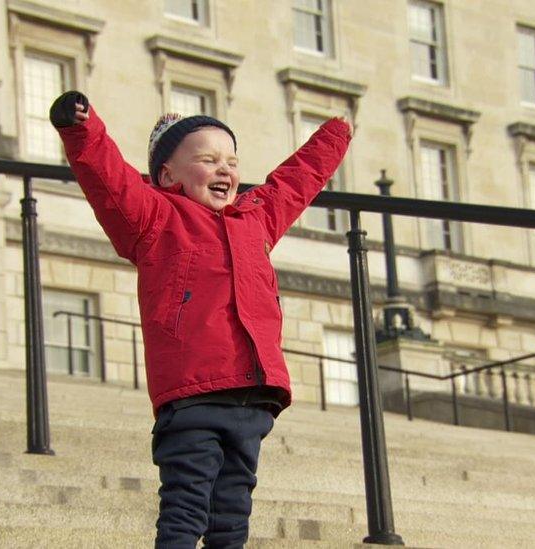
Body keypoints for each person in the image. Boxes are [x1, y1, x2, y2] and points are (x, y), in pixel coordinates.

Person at [49, 91, 351, 548]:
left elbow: (295, 181)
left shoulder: (255, 218)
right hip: (193, 396)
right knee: (186, 508)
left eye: (232, 161)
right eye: (208, 160)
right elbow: (108, 178)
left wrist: (336, 134)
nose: (225, 170)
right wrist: (81, 129)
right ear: (168, 174)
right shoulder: (154, 217)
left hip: (251, 396)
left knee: (232, 516)